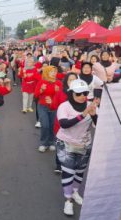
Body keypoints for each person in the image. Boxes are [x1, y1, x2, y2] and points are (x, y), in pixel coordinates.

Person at [55, 79, 98, 216]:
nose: (82, 96)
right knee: (68, 171)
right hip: (65, 143)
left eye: (85, 93)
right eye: (79, 93)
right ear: (71, 93)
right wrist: (84, 114)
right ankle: (68, 200)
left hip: (84, 144)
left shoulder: (91, 105)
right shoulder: (64, 106)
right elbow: (64, 124)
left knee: (80, 172)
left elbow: (98, 124)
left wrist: (94, 115)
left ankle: (75, 192)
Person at [49, 72, 78, 173]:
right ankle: (58, 165)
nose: (72, 82)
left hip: (75, 125)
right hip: (61, 125)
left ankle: (70, 163)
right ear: (66, 81)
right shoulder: (60, 92)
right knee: (60, 146)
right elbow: (53, 106)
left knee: (72, 146)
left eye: (74, 79)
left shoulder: (81, 93)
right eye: (70, 80)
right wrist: (51, 101)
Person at [34, 66, 63, 152]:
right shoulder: (42, 82)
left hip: (54, 107)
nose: (54, 73)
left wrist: (57, 92)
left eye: (55, 71)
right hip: (43, 106)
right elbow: (36, 95)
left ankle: (51, 142)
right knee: (45, 125)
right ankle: (43, 143)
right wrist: (41, 90)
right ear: (46, 72)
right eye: (51, 72)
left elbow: (61, 97)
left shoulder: (58, 83)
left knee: (52, 126)